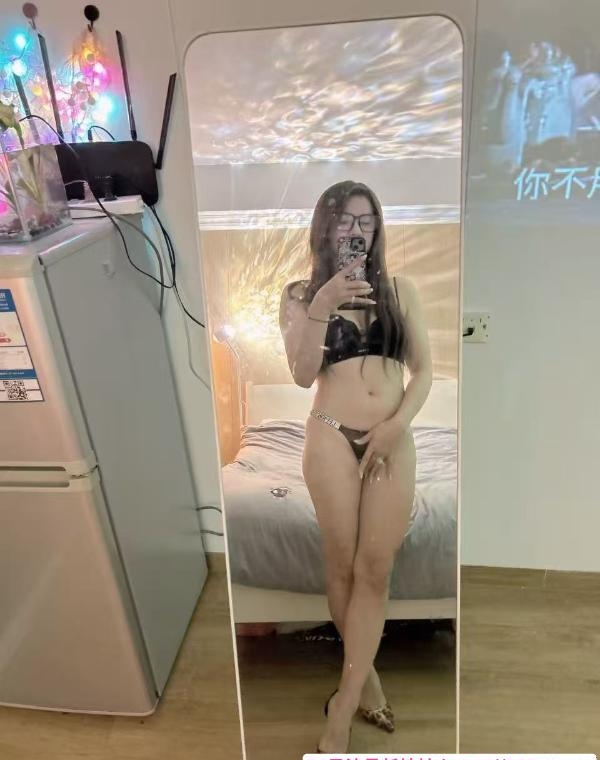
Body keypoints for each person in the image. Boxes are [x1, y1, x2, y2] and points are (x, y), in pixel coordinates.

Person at [278, 180, 433, 753]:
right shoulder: (299, 295)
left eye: (366, 221)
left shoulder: (400, 289)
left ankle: (341, 705)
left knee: (375, 569)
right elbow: (301, 374)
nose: (356, 231)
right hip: (330, 436)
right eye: (344, 220)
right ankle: (365, 682)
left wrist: (397, 425)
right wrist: (323, 305)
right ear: (325, 228)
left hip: (391, 437)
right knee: (342, 565)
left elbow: (424, 372)